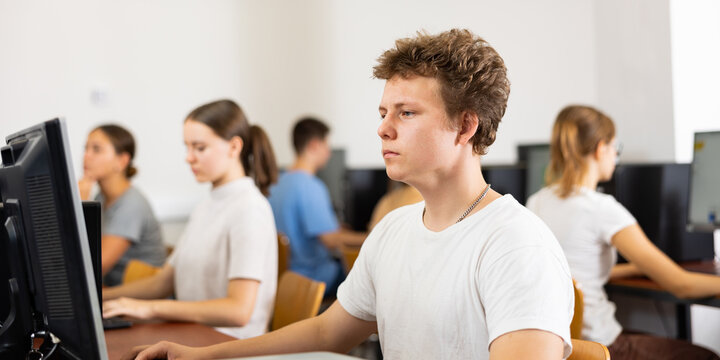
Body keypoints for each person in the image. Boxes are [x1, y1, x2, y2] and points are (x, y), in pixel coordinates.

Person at [123, 29, 573, 360]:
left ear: (465, 125)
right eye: (383, 112)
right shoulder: (394, 230)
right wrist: (199, 355)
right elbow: (325, 333)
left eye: (407, 112)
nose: (384, 128)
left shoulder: (516, 244)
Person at [527, 105, 720, 360]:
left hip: (560, 347)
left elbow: (572, 273)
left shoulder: (537, 202)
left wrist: (633, 268)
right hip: (602, 346)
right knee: (704, 356)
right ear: (600, 149)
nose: (615, 156)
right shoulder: (602, 208)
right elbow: (681, 285)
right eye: (615, 148)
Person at [103, 99, 279, 339]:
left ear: (234, 147)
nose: (189, 157)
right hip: (194, 336)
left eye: (199, 147)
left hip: (230, 345)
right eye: (187, 147)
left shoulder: (250, 208)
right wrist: (105, 298)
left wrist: (149, 308)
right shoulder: (207, 205)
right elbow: (164, 282)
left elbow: (238, 311)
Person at [268, 117, 366, 296]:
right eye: (326, 146)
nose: (328, 153)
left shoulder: (275, 184)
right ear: (314, 145)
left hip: (283, 281)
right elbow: (331, 240)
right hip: (312, 278)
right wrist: (371, 236)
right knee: (368, 282)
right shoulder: (310, 186)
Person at [79, 124, 166, 287]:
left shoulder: (131, 204)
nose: (86, 156)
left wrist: (80, 207)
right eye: (86, 149)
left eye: (96, 149)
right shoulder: (101, 198)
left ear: (122, 161)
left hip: (138, 300)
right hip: (114, 292)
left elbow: (94, 268)